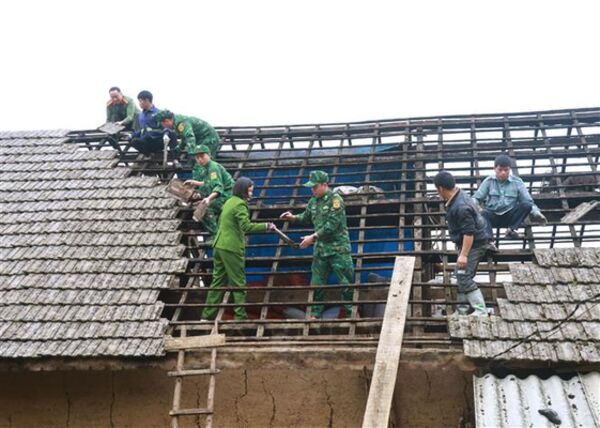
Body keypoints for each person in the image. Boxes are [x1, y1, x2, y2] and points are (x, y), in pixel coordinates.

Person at [279, 170, 354, 319]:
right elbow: (306, 216)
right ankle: (315, 314)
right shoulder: (313, 201)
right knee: (317, 283)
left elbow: (331, 225)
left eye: (315, 187)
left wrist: (312, 237)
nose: (312, 190)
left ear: (324, 185)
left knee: (345, 283)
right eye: (311, 187)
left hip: (338, 249)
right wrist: (293, 218)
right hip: (321, 250)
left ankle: (351, 313)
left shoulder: (336, 200)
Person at [201, 177, 275, 320]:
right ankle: (240, 317)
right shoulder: (240, 204)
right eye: (249, 191)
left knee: (217, 282)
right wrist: (266, 226)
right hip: (231, 247)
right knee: (238, 282)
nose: (251, 194)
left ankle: (207, 316)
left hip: (219, 245)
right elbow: (246, 226)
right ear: (242, 191)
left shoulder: (229, 201)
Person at [434, 171, 488, 316]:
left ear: (440, 188)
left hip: (475, 245)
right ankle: (462, 311)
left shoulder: (461, 206)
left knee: (464, 276)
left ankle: (481, 311)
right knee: (460, 274)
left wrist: (463, 255)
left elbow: (469, 233)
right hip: (470, 243)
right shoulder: (459, 196)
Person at [473, 154, 547, 240]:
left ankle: (511, 231)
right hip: (493, 215)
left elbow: (528, 201)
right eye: (500, 170)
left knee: (526, 205)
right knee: (483, 213)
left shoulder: (517, 182)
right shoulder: (488, 181)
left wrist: (536, 213)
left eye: (506, 170)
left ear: (510, 169)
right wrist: (475, 207)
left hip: (510, 216)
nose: (503, 173)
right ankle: (489, 241)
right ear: (495, 169)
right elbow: (477, 198)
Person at [184, 145, 234, 237]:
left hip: (228, 195)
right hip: (224, 194)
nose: (200, 159)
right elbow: (209, 182)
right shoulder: (207, 168)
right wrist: (194, 182)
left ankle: (216, 235)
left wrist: (208, 199)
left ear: (209, 155)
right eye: (197, 157)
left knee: (204, 208)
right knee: (199, 202)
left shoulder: (213, 168)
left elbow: (218, 187)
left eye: (202, 156)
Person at [129, 91, 178, 160]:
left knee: (172, 134)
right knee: (133, 141)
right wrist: (131, 135)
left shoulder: (158, 113)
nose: (139, 103)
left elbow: (166, 127)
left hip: (157, 140)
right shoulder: (140, 115)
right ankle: (149, 154)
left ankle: (175, 159)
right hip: (146, 141)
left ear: (147, 100)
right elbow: (140, 130)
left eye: (140, 101)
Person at [155, 110, 221, 158]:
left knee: (204, 162)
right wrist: (178, 149)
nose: (164, 127)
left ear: (167, 121)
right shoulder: (177, 122)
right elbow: (185, 138)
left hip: (209, 139)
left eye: (162, 124)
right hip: (201, 139)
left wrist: (191, 153)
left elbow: (189, 136)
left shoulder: (181, 123)